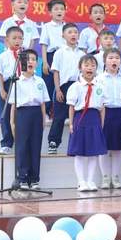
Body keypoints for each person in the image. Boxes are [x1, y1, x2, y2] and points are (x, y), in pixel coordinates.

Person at [7, 49, 49, 190]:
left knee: (35, 146)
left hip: (36, 113)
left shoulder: (40, 81)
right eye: (27, 59)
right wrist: (12, 122)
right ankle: (23, 178)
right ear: (21, 63)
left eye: (33, 59)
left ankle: (34, 179)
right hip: (22, 114)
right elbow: (13, 105)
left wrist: (43, 119)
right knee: (22, 146)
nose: (30, 62)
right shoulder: (17, 82)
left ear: (37, 63)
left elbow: (42, 103)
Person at [67, 55, 108, 192]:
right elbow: (71, 107)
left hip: (94, 119)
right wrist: (71, 124)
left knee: (93, 153)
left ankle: (90, 180)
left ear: (96, 68)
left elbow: (102, 108)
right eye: (86, 65)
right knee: (79, 152)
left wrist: (101, 124)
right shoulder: (75, 87)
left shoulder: (100, 87)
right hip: (80, 119)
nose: (89, 68)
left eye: (92, 65)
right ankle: (81, 181)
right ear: (80, 68)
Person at [95, 48, 121, 189]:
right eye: (110, 58)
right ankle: (105, 177)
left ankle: (115, 177)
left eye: (116, 58)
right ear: (104, 61)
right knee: (104, 147)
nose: (113, 60)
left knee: (117, 148)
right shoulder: (99, 79)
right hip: (105, 113)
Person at [48, 23, 84, 154]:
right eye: (70, 32)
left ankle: (78, 143)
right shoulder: (59, 52)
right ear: (63, 35)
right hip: (64, 87)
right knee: (59, 116)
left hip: (79, 86)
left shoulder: (82, 54)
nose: (73, 34)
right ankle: (53, 142)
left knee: (79, 116)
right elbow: (56, 72)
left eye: (75, 32)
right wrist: (58, 89)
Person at [0, 26, 24, 154]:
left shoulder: (25, 55)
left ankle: (22, 142)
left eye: (20, 38)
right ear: (7, 40)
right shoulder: (3, 56)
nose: (17, 41)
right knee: (6, 115)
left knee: (21, 115)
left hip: (22, 86)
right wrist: (2, 90)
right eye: (14, 38)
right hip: (8, 85)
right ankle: (7, 143)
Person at [40, 0, 67, 120]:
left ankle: (64, 113)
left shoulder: (67, 27)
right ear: (50, 12)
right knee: (48, 84)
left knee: (64, 84)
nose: (59, 11)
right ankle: (46, 112)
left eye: (61, 9)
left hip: (65, 57)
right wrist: (45, 62)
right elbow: (44, 45)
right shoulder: (47, 27)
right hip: (51, 56)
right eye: (56, 9)